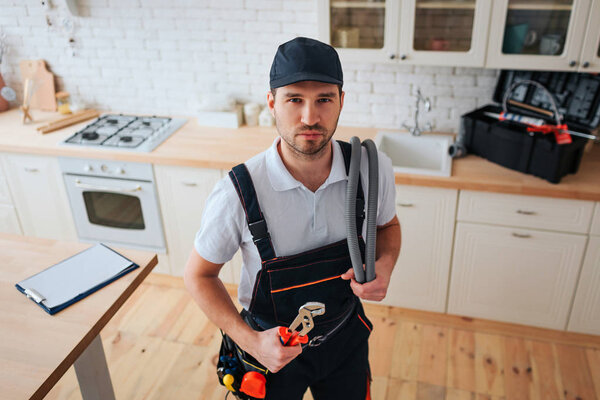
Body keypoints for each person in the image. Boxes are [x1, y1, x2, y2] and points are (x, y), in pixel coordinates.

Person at [184, 37, 401, 399]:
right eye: (295, 99)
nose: (310, 117)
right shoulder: (238, 191)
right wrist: (251, 341)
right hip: (270, 351)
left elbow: (387, 226)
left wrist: (387, 264)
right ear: (272, 103)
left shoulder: (372, 170)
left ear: (341, 102)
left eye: (324, 100)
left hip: (344, 339)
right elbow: (198, 275)